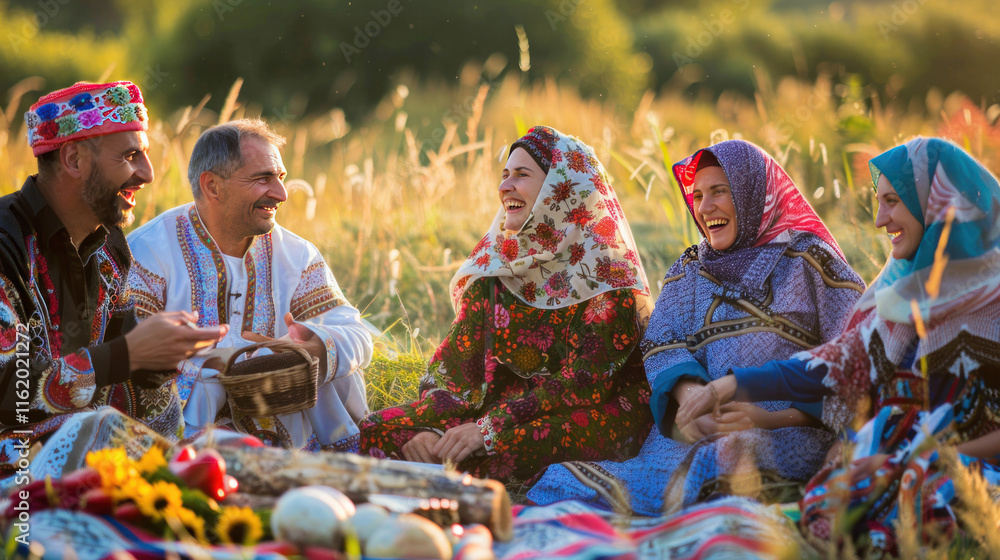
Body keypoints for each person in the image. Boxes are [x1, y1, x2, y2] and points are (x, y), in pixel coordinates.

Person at [677, 137, 1000, 553]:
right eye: (878, 203)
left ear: (936, 205)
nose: (881, 220)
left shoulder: (992, 302)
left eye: (893, 202)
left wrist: (917, 463)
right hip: (902, 464)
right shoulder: (900, 295)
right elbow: (840, 362)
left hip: (966, 475)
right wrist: (730, 387)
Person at [527, 139, 866, 515]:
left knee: (720, 462)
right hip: (695, 431)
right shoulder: (689, 269)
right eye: (698, 195)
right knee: (560, 481)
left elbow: (854, 356)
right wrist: (690, 399)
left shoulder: (810, 261)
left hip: (787, 430)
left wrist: (764, 418)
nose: (705, 208)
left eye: (720, 191)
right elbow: (661, 343)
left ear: (753, 192)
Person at [360, 126, 654, 482]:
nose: (504, 187)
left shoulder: (607, 278)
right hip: (497, 412)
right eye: (504, 175)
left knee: (522, 444)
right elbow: (452, 368)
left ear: (560, 189)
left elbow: (582, 386)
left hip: (586, 413)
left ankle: (457, 464)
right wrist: (431, 430)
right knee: (378, 427)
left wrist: (489, 430)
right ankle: (447, 458)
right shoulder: (499, 270)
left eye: (521, 175)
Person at [0, 81, 226, 477]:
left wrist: (164, 350)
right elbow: (9, 393)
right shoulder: (6, 247)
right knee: (99, 429)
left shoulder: (107, 243)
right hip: (12, 449)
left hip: (68, 436)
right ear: (73, 159)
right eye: (131, 156)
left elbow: (120, 344)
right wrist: (126, 355)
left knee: (168, 410)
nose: (148, 173)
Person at [127, 118, 373, 452]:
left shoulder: (296, 254)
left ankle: (340, 462)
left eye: (281, 178)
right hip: (188, 438)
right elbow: (130, 354)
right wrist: (219, 363)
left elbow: (356, 334)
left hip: (290, 431)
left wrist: (314, 345)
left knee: (338, 365)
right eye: (263, 179)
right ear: (213, 186)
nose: (282, 194)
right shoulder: (150, 250)